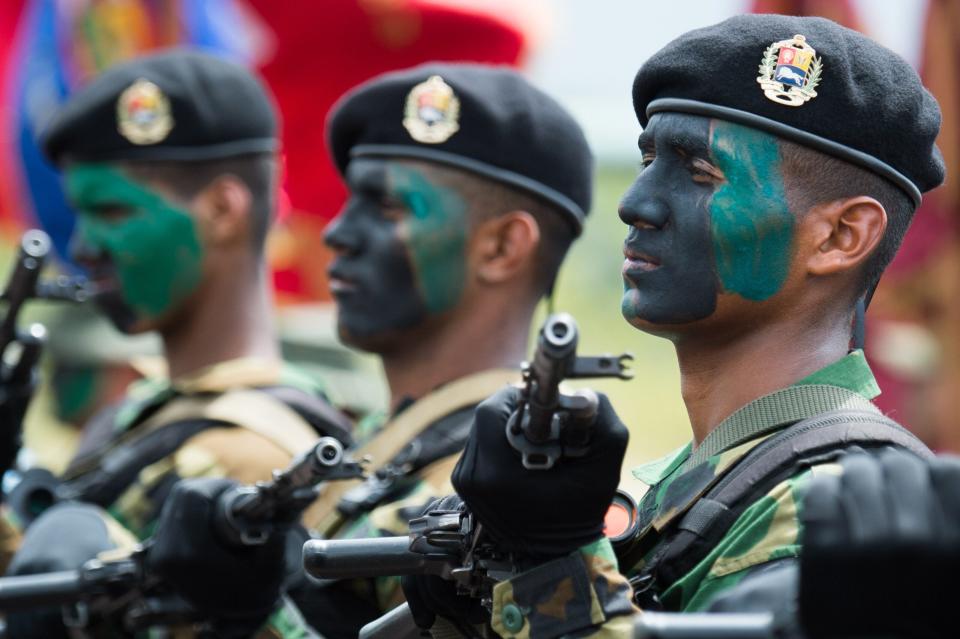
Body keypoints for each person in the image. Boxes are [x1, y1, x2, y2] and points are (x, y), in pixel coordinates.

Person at [401, 14, 945, 638]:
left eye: (700, 172)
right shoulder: (674, 487)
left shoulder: (831, 508)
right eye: (650, 159)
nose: (635, 203)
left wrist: (550, 566)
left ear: (840, 236)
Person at [144, 62, 594, 638]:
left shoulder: (507, 494)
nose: (336, 233)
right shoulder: (381, 454)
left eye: (387, 208)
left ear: (504, 247)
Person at [3, 48, 352, 637]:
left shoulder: (256, 453)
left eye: (112, 211)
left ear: (222, 209)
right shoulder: (138, 418)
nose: (83, 247)